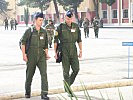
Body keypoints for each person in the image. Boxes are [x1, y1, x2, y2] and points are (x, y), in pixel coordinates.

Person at [20, 12, 50, 100]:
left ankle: (44, 94)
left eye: (42, 20)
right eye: (40, 20)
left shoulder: (44, 31)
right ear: (35, 20)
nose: (41, 22)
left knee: (44, 74)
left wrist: (47, 54)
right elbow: (23, 43)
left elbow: (46, 45)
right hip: (31, 56)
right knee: (29, 74)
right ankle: (27, 92)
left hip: (41, 56)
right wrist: (24, 55)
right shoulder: (29, 31)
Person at [54, 10, 82, 97]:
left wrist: (81, 50)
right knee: (66, 71)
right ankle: (69, 90)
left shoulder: (76, 27)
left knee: (76, 69)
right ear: (65, 17)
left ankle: (67, 85)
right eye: (67, 18)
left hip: (73, 49)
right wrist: (55, 52)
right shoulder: (60, 27)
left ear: (72, 18)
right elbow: (55, 40)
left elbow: (79, 40)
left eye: (70, 18)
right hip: (64, 50)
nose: (68, 20)